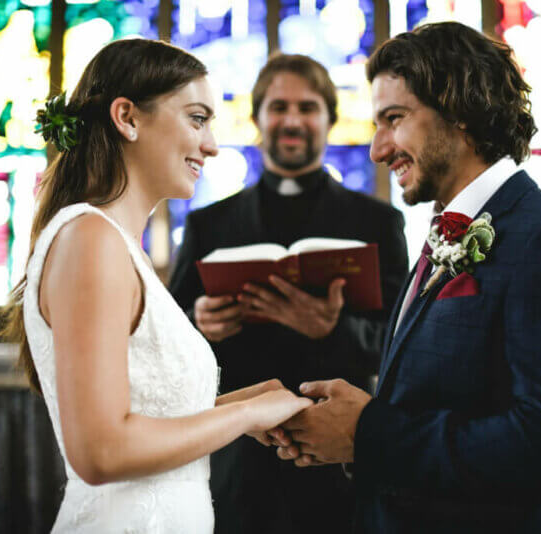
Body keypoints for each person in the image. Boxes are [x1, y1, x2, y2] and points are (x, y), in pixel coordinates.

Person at [273, 22, 541, 533]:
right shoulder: (443, 233)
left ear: (460, 109)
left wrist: (369, 434)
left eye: (394, 119)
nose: (377, 149)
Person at [0, 39, 312, 533]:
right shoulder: (90, 240)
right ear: (127, 117)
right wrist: (248, 414)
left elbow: (146, 415)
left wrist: (240, 403)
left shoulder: (118, 245)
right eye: (197, 119)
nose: (211, 145)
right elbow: (101, 453)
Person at [168, 53, 409, 534]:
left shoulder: (378, 222)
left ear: (329, 119)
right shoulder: (208, 225)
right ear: (257, 118)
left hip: (339, 465)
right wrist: (202, 324)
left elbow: (402, 348)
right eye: (278, 107)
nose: (292, 120)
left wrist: (333, 328)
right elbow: (166, 345)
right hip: (237, 462)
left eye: (307, 107)